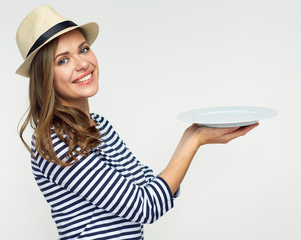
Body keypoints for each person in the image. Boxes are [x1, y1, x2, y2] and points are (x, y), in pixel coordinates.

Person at [16, 5, 258, 240]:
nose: (82, 64)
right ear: (44, 77)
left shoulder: (100, 126)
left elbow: (148, 187)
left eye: (83, 49)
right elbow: (145, 207)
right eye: (63, 60)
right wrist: (194, 141)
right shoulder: (55, 141)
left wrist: (191, 134)